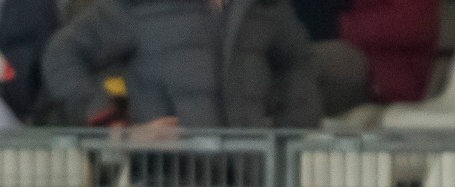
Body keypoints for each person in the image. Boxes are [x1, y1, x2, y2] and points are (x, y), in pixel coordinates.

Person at [43, 0, 323, 129]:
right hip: (166, 186)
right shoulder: (140, 6)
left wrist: (287, 136)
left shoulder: (265, 7)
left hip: (246, 181)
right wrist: (116, 123)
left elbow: (297, 62)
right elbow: (62, 54)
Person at [292, 0, 438, 113]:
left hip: (380, 80)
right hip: (327, 49)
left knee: (297, 64)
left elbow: (413, 23)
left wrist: (338, 26)